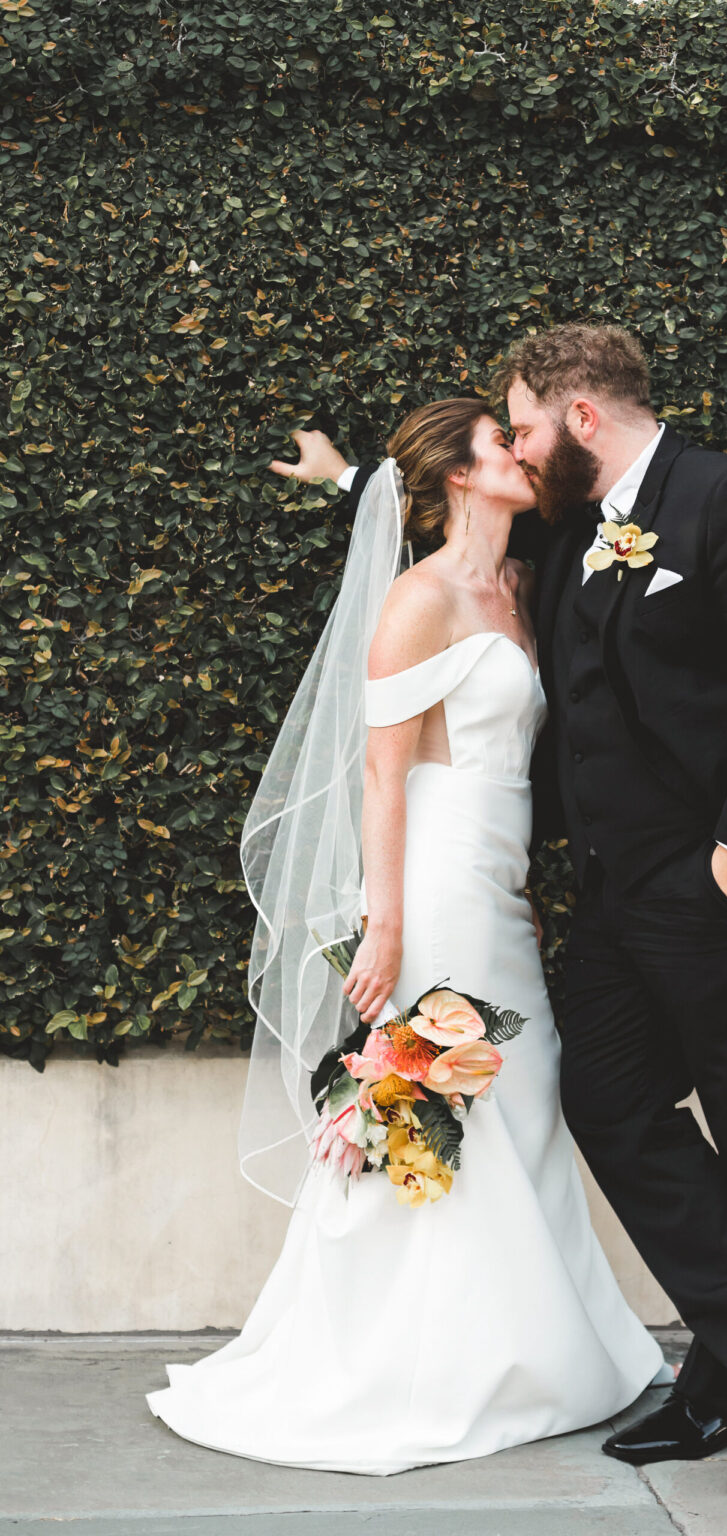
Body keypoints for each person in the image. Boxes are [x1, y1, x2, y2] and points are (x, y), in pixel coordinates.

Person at [145, 397, 668, 1475]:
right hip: (433, 886)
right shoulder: (417, 602)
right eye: (499, 444)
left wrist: (351, 481)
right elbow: (383, 774)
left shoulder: (523, 583)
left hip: (500, 883)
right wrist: (384, 926)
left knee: (519, 1093)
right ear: (463, 477)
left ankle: (529, 1347)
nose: (522, 455)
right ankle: (416, 1362)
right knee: (437, 1097)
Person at [493, 323, 727, 1493]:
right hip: (615, 887)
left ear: (584, 418)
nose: (517, 446)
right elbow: (469, 501)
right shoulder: (573, 519)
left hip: (725, 879)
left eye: (524, 426)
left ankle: (725, 1384)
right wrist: (357, 479)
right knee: (604, 1098)